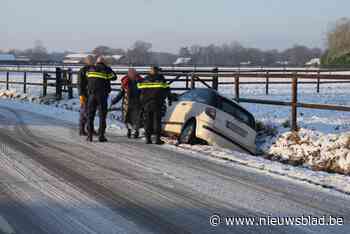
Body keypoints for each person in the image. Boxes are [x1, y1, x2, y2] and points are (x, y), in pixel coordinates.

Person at [86, 56, 117, 142]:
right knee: (102, 116)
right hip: (102, 95)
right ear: (104, 62)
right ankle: (101, 136)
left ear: (97, 62)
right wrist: (108, 68)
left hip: (91, 95)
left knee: (90, 115)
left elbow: (87, 76)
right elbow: (114, 77)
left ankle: (89, 136)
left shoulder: (91, 69)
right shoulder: (106, 69)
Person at [138, 66, 172, 144]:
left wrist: (141, 102)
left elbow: (140, 91)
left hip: (147, 104)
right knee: (157, 121)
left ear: (150, 71)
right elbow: (167, 90)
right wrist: (170, 99)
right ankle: (157, 139)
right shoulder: (161, 79)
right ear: (157, 71)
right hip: (157, 103)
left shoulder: (145, 79)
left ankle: (148, 139)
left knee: (148, 121)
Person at [110, 68, 143, 138]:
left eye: (133, 73)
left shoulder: (140, 81)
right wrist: (114, 101)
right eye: (130, 73)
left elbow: (144, 93)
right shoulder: (125, 81)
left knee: (136, 119)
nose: (132, 74)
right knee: (127, 119)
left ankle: (136, 132)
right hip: (127, 103)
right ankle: (129, 131)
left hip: (137, 103)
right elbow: (121, 93)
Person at [77, 55, 95, 136]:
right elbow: (80, 84)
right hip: (85, 94)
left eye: (92, 60)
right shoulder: (82, 70)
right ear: (86, 61)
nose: (92, 61)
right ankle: (81, 129)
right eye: (90, 60)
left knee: (91, 112)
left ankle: (90, 129)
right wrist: (81, 94)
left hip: (92, 94)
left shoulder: (95, 69)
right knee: (84, 112)